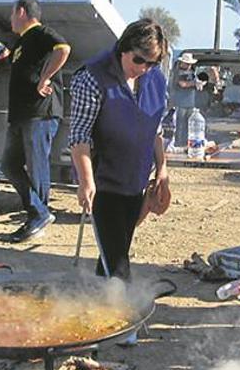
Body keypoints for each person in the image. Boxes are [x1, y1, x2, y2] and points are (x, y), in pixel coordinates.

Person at [69, 18, 171, 281]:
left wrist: (162, 170)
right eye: (139, 60)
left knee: (114, 253)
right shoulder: (92, 78)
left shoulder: (155, 80)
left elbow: (155, 130)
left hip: (135, 183)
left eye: (152, 63)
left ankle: (97, 308)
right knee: (118, 268)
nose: (145, 68)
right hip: (104, 184)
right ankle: (121, 310)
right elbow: (79, 135)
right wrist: (86, 181)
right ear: (124, 48)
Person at [0, 0, 70, 242]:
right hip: (21, 115)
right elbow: (9, 63)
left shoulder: (41, 33)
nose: (9, 19)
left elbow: (63, 49)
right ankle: (39, 212)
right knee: (8, 164)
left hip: (40, 113)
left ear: (21, 12)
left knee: (37, 165)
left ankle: (38, 216)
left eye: (11, 13)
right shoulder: (22, 43)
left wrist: (46, 78)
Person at [171, 53, 201, 149]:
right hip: (180, 103)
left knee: (189, 125)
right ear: (182, 63)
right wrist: (194, 83)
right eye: (187, 63)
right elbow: (182, 84)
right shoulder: (177, 72)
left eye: (190, 64)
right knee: (179, 125)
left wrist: (198, 84)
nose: (189, 65)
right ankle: (178, 143)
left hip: (190, 103)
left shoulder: (192, 73)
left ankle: (186, 143)